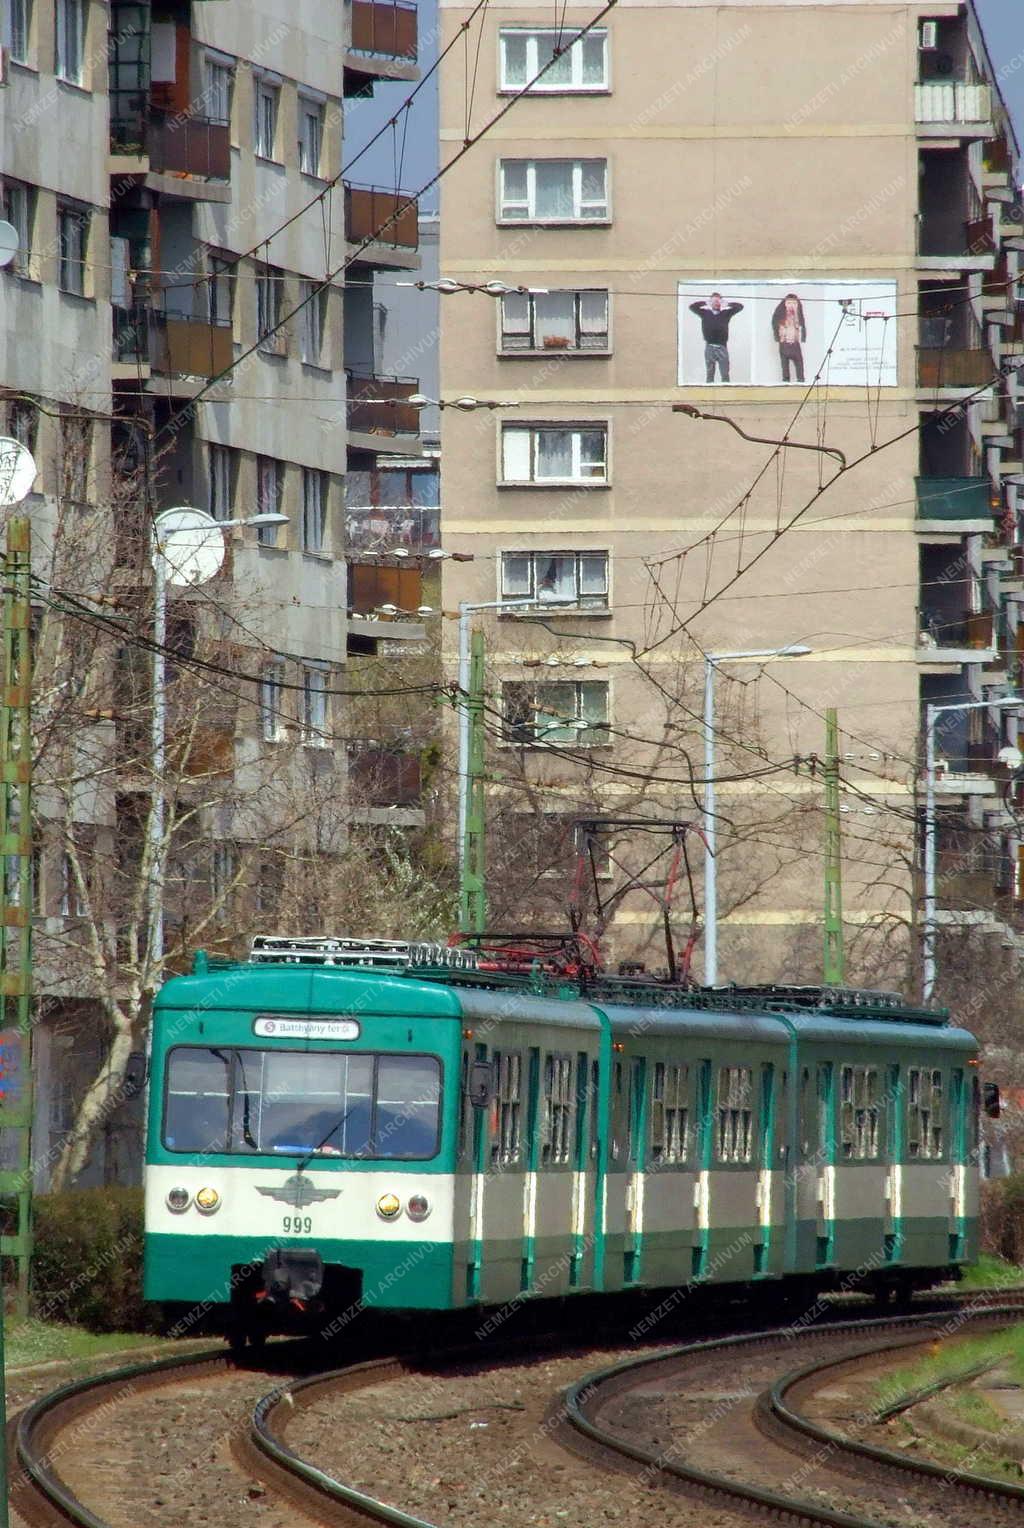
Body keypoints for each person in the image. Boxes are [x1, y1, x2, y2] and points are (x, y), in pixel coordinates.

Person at [688, 292, 744, 382]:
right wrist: (706, 302)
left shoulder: (726, 313)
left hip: (722, 347)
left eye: (718, 301)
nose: (716, 303)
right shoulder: (705, 313)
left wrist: (728, 304)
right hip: (709, 347)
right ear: (711, 302)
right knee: (710, 374)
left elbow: (740, 307)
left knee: (725, 374)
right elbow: (692, 307)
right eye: (714, 301)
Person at [771, 292, 807, 382]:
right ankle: (786, 382)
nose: (792, 305)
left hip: (795, 344)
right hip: (785, 344)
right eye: (789, 303)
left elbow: (801, 326)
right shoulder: (781, 316)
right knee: (785, 369)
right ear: (785, 304)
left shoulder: (798, 316)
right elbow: (775, 324)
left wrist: (802, 335)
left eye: (794, 303)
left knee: (800, 366)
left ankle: (801, 382)